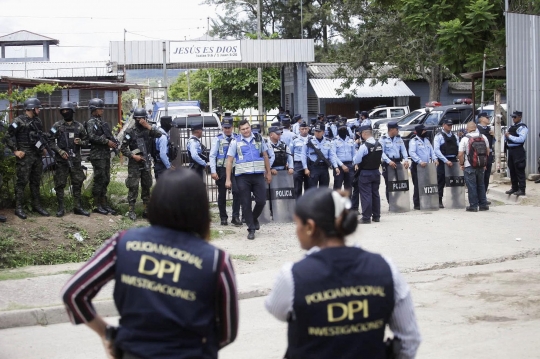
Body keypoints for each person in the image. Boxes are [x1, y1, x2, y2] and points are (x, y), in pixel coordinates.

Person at [61, 169, 239, 359]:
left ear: (155, 202)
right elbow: (227, 332)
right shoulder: (216, 261)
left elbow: (73, 293)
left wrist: (107, 334)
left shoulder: (123, 243)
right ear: (201, 210)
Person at [265, 188, 421, 359]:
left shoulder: (292, 277)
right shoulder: (386, 268)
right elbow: (409, 341)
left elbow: (275, 308)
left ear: (310, 227)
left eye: (297, 224)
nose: (296, 231)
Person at [225, 119, 272, 240]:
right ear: (239, 130)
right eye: (243, 129)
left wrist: (268, 172)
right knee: (245, 203)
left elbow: (265, 156)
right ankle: (251, 228)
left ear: (250, 127)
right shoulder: (235, 141)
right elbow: (229, 161)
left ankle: (254, 218)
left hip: (257, 175)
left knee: (261, 201)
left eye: (247, 128)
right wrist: (228, 179)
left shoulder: (259, 138)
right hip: (242, 176)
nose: (246, 131)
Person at [6, 97, 50, 219]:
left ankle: (37, 205)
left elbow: (38, 137)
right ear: (31, 108)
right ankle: (18, 208)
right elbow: (8, 136)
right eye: (37, 108)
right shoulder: (18, 121)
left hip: (36, 156)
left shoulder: (38, 122)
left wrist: (43, 148)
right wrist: (15, 150)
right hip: (24, 157)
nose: (39, 110)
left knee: (35, 182)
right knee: (22, 182)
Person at [48, 101, 90, 217]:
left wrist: (80, 142)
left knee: (77, 182)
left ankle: (78, 207)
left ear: (72, 111)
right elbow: (50, 141)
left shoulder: (79, 126)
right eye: (63, 111)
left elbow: (87, 141)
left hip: (75, 160)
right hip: (62, 160)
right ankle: (61, 208)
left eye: (67, 110)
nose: (65, 112)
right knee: (60, 184)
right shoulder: (57, 126)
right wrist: (60, 151)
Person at [120, 108, 162, 221]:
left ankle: (146, 210)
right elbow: (123, 148)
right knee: (133, 186)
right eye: (138, 118)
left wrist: (148, 126)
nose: (140, 121)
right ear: (135, 119)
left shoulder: (148, 130)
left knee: (146, 185)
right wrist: (133, 156)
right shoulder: (130, 131)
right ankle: (131, 210)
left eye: (142, 118)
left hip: (146, 161)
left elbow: (159, 135)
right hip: (135, 162)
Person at [86, 98, 118, 215]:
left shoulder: (101, 122)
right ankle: (96, 204)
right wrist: (106, 142)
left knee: (106, 179)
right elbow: (92, 137)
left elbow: (108, 136)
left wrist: (113, 142)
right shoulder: (91, 123)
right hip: (97, 155)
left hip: (105, 155)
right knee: (99, 179)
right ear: (94, 109)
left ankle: (104, 203)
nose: (102, 111)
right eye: (100, 109)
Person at [209, 116, 241, 226]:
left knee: (237, 191)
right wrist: (213, 171)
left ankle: (235, 216)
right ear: (222, 127)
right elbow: (212, 155)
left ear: (232, 127)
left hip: (235, 168)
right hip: (221, 169)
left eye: (229, 127)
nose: (227, 129)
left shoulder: (237, 138)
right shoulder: (217, 139)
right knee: (222, 194)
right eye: (225, 127)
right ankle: (223, 217)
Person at [458, 122, 490, 212]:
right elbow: (487, 151)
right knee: (481, 185)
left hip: (469, 166)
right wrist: (484, 163)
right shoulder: (483, 137)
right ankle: (483, 204)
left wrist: (461, 164)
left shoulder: (465, 139)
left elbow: (460, 154)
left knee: (471, 186)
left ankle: (473, 206)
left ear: (467, 129)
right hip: (481, 165)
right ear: (475, 128)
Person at [354, 126, 383, 223]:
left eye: (361, 134)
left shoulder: (364, 146)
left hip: (366, 173)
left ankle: (366, 218)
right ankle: (376, 216)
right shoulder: (379, 144)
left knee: (366, 195)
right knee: (375, 194)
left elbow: (356, 160)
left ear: (365, 134)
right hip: (376, 172)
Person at [409, 124, 438, 210]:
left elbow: (431, 151)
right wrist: (419, 161)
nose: (425, 132)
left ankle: (425, 201)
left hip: (427, 165)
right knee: (418, 185)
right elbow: (412, 153)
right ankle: (417, 203)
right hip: (417, 166)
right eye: (424, 130)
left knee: (426, 184)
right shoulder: (414, 141)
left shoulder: (427, 140)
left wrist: (435, 159)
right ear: (419, 131)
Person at [301, 122, 339, 189]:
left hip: (324, 167)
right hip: (313, 167)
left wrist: (335, 166)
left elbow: (331, 155)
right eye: (316, 131)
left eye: (319, 131)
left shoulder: (328, 141)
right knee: (312, 190)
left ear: (323, 132)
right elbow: (303, 154)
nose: (317, 133)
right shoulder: (309, 140)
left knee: (324, 190)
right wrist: (305, 168)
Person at [380, 121, 409, 202]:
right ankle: (391, 203)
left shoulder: (399, 138)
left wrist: (406, 160)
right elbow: (381, 152)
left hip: (398, 163)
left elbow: (403, 149)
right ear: (391, 130)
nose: (398, 131)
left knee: (401, 183)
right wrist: (389, 161)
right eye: (397, 129)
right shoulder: (383, 139)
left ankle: (396, 201)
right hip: (388, 164)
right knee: (390, 185)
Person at [434, 119, 460, 208]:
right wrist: (445, 160)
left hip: (453, 160)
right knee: (440, 181)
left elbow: (458, 147)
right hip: (443, 161)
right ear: (443, 125)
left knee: (454, 181)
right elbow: (436, 150)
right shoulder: (439, 136)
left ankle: (455, 199)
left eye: (451, 125)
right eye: (448, 125)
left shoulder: (455, 136)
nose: (450, 126)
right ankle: (439, 200)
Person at [504, 111, 528, 196]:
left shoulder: (522, 127)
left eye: (515, 117)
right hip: (510, 150)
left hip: (518, 150)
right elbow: (505, 137)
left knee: (519, 169)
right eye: (512, 117)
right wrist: (506, 137)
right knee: (512, 169)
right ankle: (514, 188)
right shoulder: (511, 127)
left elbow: (521, 139)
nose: (513, 119)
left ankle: (522, 189)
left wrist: (509, 136)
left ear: (520, 117)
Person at [332, 124, 356, 195]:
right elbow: (333, 155)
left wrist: (354, 163)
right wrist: (342, 165)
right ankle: (336, 205)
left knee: (348, 186)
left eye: (344, 130)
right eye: (340, 130)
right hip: (339, 166)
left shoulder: (351, 141)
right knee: (337, 186)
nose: (343, 131)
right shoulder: (334, 141)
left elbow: (354, 154)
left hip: (349, 165)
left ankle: (347, 204)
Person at [477, 112, 494, 203]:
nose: (488, 119)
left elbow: (494, 142)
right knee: (479, 176)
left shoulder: (489, 129)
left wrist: (494, 135)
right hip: (480, 155)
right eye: (486, 117)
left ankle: (483, 197)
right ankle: (478, 197)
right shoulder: (477, 129)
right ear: (481, 119)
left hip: (489, 155)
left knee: (486, 176)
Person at [290, 122, 310, 199]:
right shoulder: (295, 139)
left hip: (309, 164)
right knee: (297, 187)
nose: (304, 130)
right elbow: (291, 153)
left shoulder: (311, 138)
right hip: (298, 164)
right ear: (299, 129)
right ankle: (298, 206)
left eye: (306, 129)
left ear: (308, 129)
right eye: (302, 129)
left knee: (308, 187)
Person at [153, 116, 175, 180]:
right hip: (162, 167)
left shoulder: (159, 133)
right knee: (164, 188)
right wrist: (168, 166)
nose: (171, 127)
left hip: (160, 164)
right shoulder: (163, 137)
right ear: (166, 124)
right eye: (170, 125)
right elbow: (162, 154)